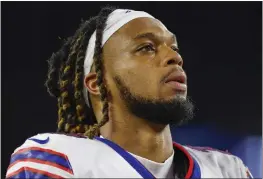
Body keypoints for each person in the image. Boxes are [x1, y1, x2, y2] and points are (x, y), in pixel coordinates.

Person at [6, 6, 253, 178]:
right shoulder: (59, 160)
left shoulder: (228, 170)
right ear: (96, 82)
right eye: (146, 48)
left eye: (174, 48)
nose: (174, 57)